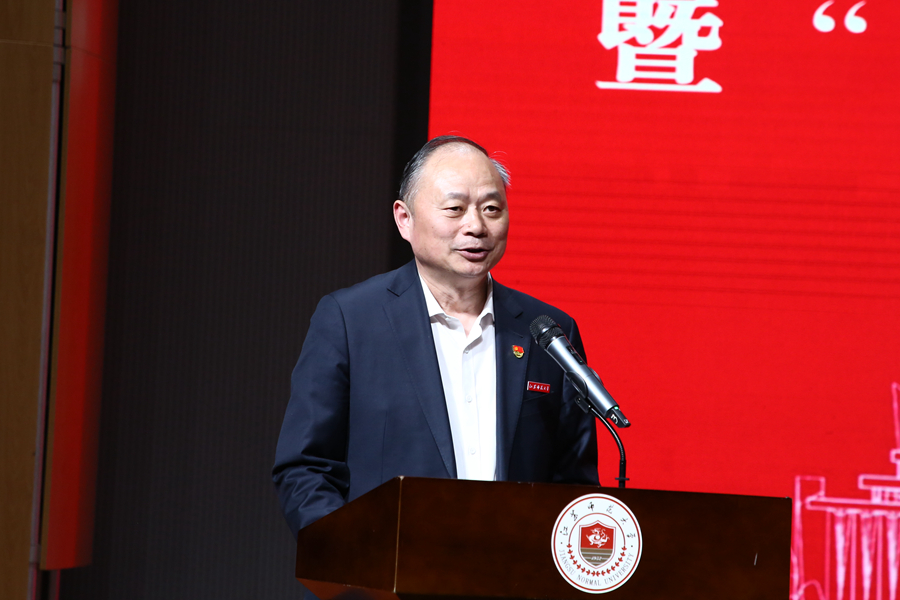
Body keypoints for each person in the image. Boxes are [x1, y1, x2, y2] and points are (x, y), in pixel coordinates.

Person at [273, 136, 598, 538]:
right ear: (404, 219)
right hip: (385, 570)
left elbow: (573, 484)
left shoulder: (547, 329)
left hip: (511, 568)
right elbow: (305, 467)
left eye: (492, 208)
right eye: (455, 209)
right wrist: (349, 554)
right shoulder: (350, 320)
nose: (476, 226)